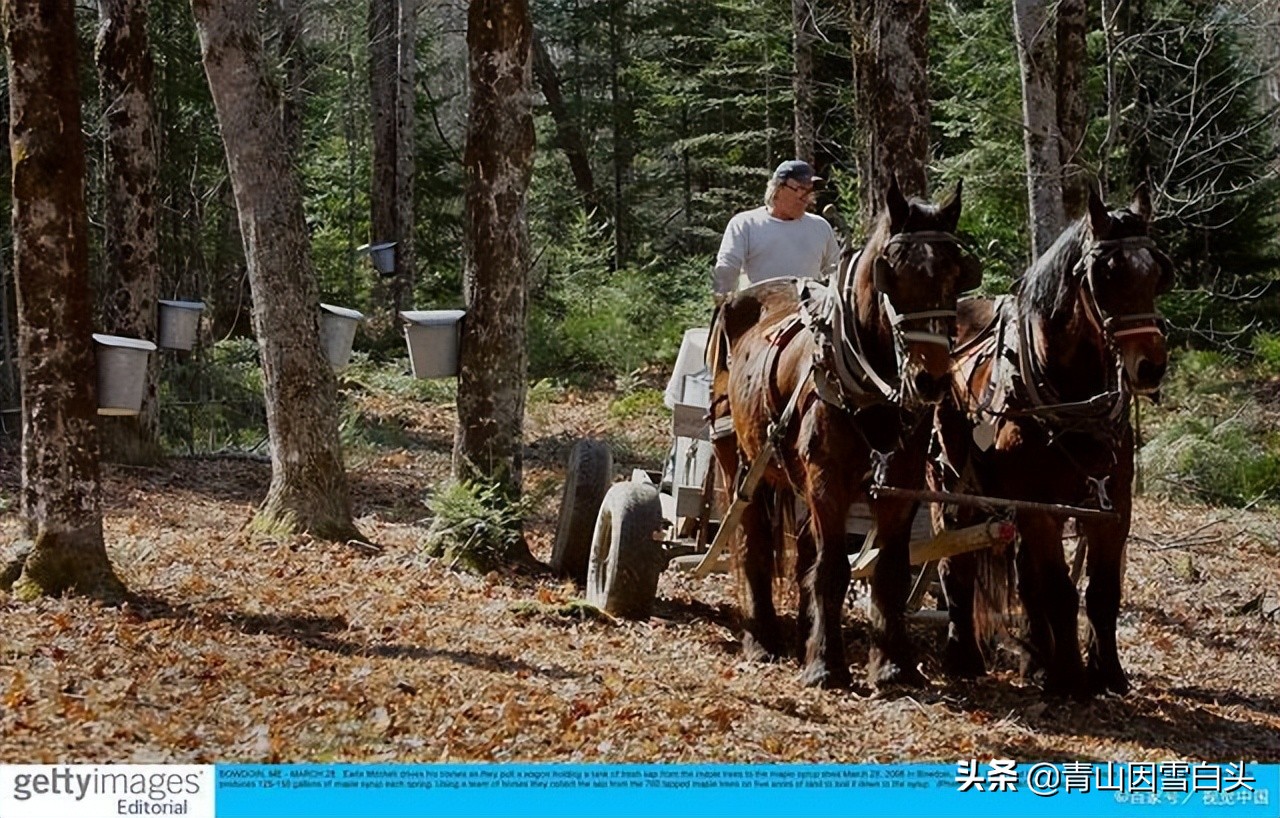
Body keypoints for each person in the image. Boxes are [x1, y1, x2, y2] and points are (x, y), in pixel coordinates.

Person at [712, 159, 842, 299]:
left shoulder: (820, 227)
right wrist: (724, 304)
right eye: (801, 189)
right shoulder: (745, 224)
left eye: (810, 191)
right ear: (778, 190)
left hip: (809, 313)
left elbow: (835, 271)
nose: (807, 198)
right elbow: (727, 269)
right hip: (761, 313)